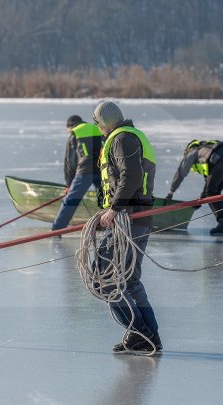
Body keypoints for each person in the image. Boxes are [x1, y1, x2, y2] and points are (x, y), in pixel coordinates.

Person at [92, 101, 162, 353]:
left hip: (128, 218)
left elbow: (131, 175)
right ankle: (148, 336)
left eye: (98, 122)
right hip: (135, 216)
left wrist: (115, 207)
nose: (97, 127)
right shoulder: (127, 137)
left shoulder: (122, 139)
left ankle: (141, 334)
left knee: (104, 280)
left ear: (106, 121)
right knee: (130, 281)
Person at [166, 139, 223, 235]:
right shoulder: (206, 150)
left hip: (221, 160)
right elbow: (208, 186)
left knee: (211, 192)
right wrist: (199, 200)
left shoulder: (193, 150)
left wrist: (171, 191)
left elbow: (181, 172)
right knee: (214, 192)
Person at [51, 115, 103, 231]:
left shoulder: (75, 133)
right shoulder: (97, 128)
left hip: (85, 171)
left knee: (71, 200)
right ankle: (109, 226)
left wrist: (69, 185)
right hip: (102, 170)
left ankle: (57, 229)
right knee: (105, 199)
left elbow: (70, 162)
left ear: (71, 126)